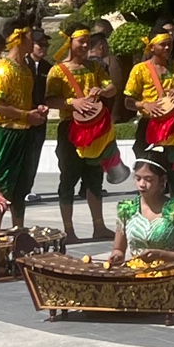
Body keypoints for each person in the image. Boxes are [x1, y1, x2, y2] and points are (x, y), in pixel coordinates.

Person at [48, 30, 119, 243]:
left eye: (88, 42)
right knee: (68, 178)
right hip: (70, 128)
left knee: (95, 177)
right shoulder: (57, 71)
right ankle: (68, 230)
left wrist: (103, 91)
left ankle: (99, 226)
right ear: (70, 43)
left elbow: (112, 88)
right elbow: (50, 99)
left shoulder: (95, 67)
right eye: (82, 42)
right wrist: (72, 103)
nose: (86, 46)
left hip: (95, 130)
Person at [0, 28, 47, 225]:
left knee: (21, 185)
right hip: (4, 134)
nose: (34, 43)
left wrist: (36, 110)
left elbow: (22, 103)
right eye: (30, 39)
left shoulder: (26, 70)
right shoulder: (3, 69)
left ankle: (18, 228)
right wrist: (26, 115)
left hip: (23, 133)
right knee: (2, 185)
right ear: (19, 41)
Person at [125, 28, 174, 193]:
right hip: (149, 125)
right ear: (152, 47)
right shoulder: (139, 70)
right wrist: (144, 105)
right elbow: (128, 102)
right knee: (149, 172)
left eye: (169, 44)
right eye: (163, 45)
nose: (167, 48)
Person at [109, 158, 174, 264]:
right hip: (136, 275)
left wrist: (160, 255)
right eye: (138, 178)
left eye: (148, 179)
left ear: (162, 180)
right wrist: (117, 255)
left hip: (168, 276)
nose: (142, 184)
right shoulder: (127, 209)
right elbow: (118, 249)